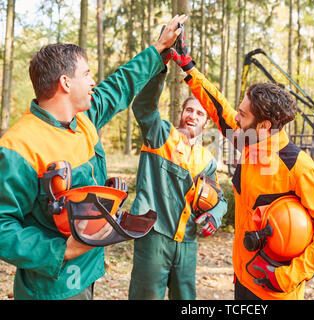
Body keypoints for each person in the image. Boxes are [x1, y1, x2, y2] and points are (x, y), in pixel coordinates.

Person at [0, 14, 187, 300]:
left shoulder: (84, 117)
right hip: (52, 287)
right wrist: (62, 250)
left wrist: (158, 50)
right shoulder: (19, 146)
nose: (93, 81)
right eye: (87, 74)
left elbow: (119, 86)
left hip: (88, 272)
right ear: (65, 82)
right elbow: (3, 227)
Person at [169, 31, 314, 300]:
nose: (236, 117)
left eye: (242, 114)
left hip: (275, 290)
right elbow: (218, 108)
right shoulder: (249, 141)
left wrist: (287, 277)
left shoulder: (296, 165)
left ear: (264, 125)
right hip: (244, 278)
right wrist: (188, 66)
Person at [127, 59, 228, 300]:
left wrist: (214, 215)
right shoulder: (161, 135)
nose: (193, 116)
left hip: (187, 242)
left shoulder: (207, 160)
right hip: (154, 235)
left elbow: (220, 199)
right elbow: (143, 106)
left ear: (207, 121)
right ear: (181, 113)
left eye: (200, 113)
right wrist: (160, 65)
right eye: (189, 110)